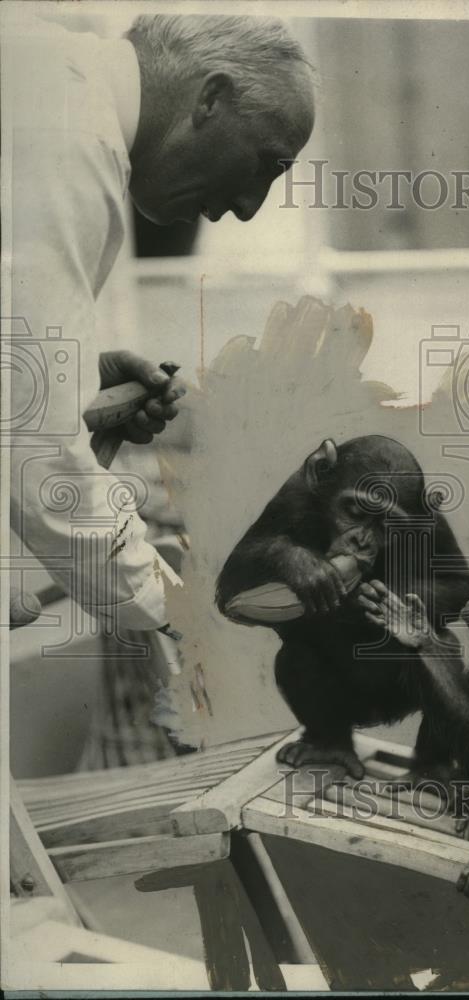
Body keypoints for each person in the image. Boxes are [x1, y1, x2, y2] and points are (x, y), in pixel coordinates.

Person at [5, 12, 315, 632]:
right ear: (211, 98)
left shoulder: (47, 79)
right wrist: (183, 612)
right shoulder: (68, 137)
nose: (250, 209)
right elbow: (39, 455)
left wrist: (73, 383)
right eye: (268, 164)